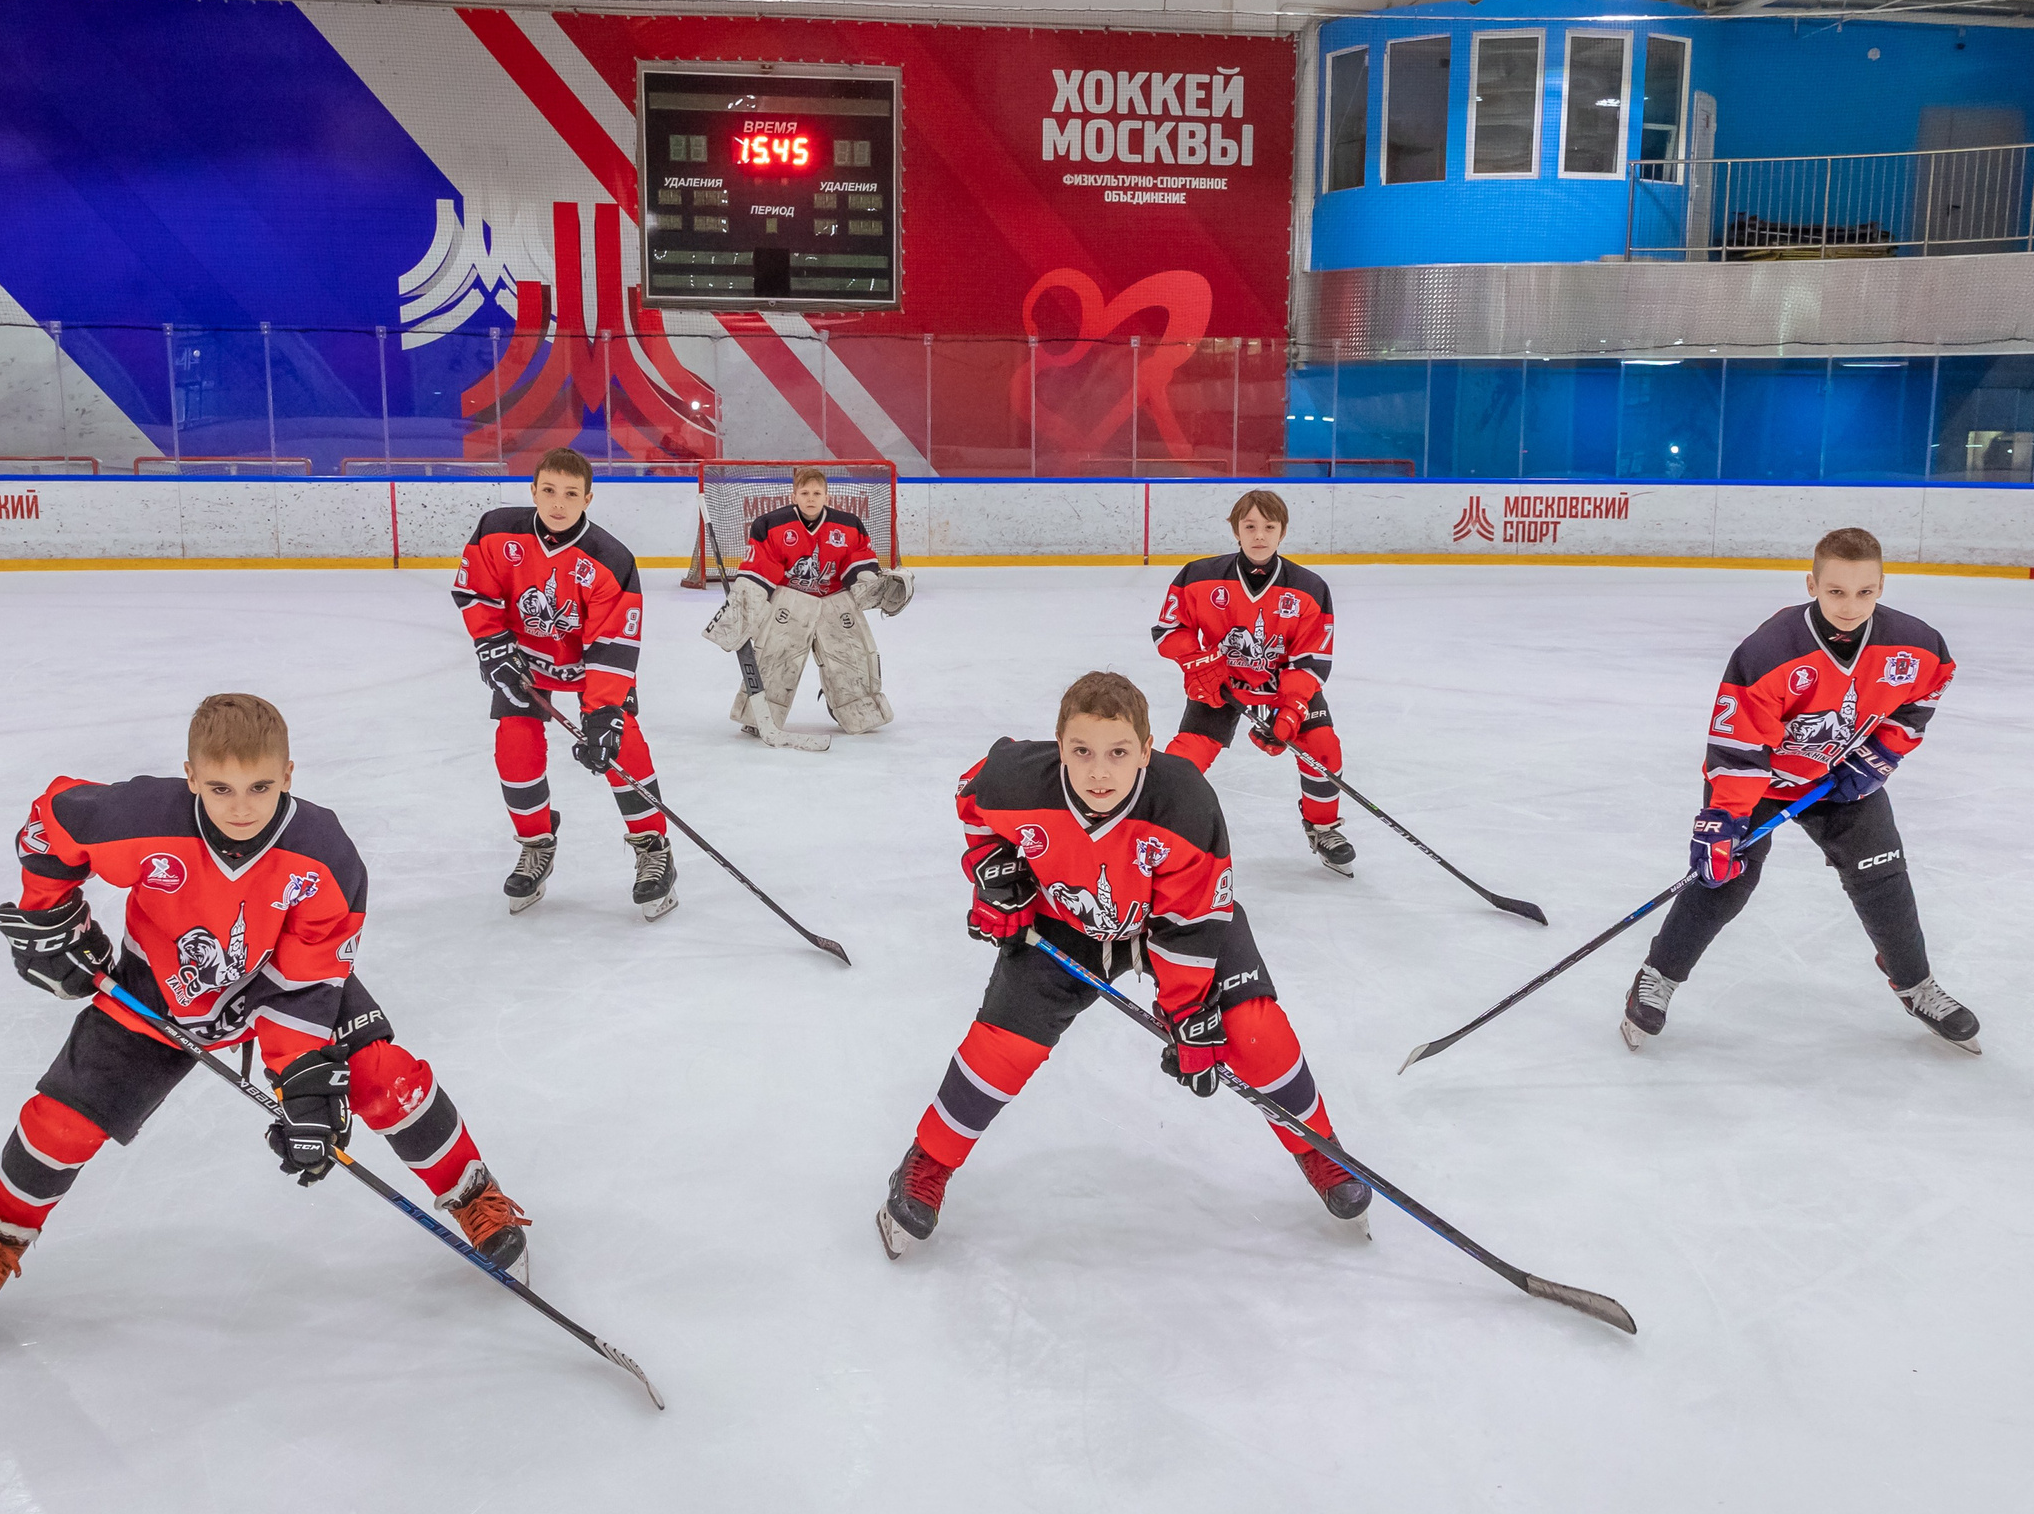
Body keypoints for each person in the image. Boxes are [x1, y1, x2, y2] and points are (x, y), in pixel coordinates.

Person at [0, 693, 530, 1332]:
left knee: (384, 1075)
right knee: (61, 1122)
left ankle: (473, 1193)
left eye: (260, 786)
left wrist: (301, 1083)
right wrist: (49, 917)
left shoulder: (324, 853)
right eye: (219, 788)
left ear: (289, 776)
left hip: (276, 987)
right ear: (190, 777)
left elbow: (310, 974)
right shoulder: (140, 818)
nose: (240, 806)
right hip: (156, 993)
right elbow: (53, 819)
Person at [878, 670, 1371, 1258]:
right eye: (1081, 751)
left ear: (1147, 751)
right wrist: (992, 870)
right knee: (1001, 1050)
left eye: (1117, 753)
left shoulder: (1183, 800)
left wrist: (1187, 1014)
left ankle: (1319, 1148)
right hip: (1064, 927)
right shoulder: (1015, 779)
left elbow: (1193, 918)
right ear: (1058, 745)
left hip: (1173, 924)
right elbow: (972, 804)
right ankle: (927, 1162)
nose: (1098, 771)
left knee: (1254, 1031)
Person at [1623, 526, 1978, 1054]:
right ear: (1811, 584)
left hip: (1840, 779)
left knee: (1882, 877)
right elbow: (1738, 744)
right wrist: (1723, 820)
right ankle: (1660, 975)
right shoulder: (1770, 652)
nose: (1850, 605)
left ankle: (1916, 984)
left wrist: (1881, 753)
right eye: (1836, 591)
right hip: (1762, 780)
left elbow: (1927, 690)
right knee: (1726, 879)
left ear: (1882, 586)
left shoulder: (1918, 644)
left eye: (1864, 592)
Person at [453, 446, 676, 918]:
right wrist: (492, 647)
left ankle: (652, 845)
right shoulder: (498, 531)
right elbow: (476, 590)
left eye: (571, 494)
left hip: (588, 665)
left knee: (621, 743)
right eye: (549, 491)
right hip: (525, 662)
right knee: (514, 742)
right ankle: (536, 841)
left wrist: (602, 715)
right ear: (533, 490)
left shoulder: (610, 559)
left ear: (588, 499)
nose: (558, 503)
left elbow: (613, 644)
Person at [1151, 489, 1353, 876]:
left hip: (1282, 686)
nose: (1259, 535)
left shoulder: (1309, 588)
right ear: (1236, 531)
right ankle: (1154, 829)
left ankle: (1324, 827)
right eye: (1250, 526)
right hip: (1221, 684)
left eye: (1269, 527)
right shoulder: (1199, 576)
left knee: (1323, 747)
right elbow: (1168, 630)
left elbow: (1309, 660)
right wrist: (1198, 661)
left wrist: (1292, 710)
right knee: (1185, 758)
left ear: (1282, 533)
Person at [705, 464, 912, 736]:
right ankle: (759, 716)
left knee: (853, 658)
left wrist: (874, 586)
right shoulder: (770, 526)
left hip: (836, 601)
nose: (811, 498)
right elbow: (758, 574)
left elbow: (859, 568)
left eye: (817, 493)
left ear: (827, 496)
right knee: (776, 658)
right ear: (794, 496)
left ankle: (857, 711)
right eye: (804, 493)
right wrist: (740, 612)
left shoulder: (849, 526)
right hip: (790, 604)